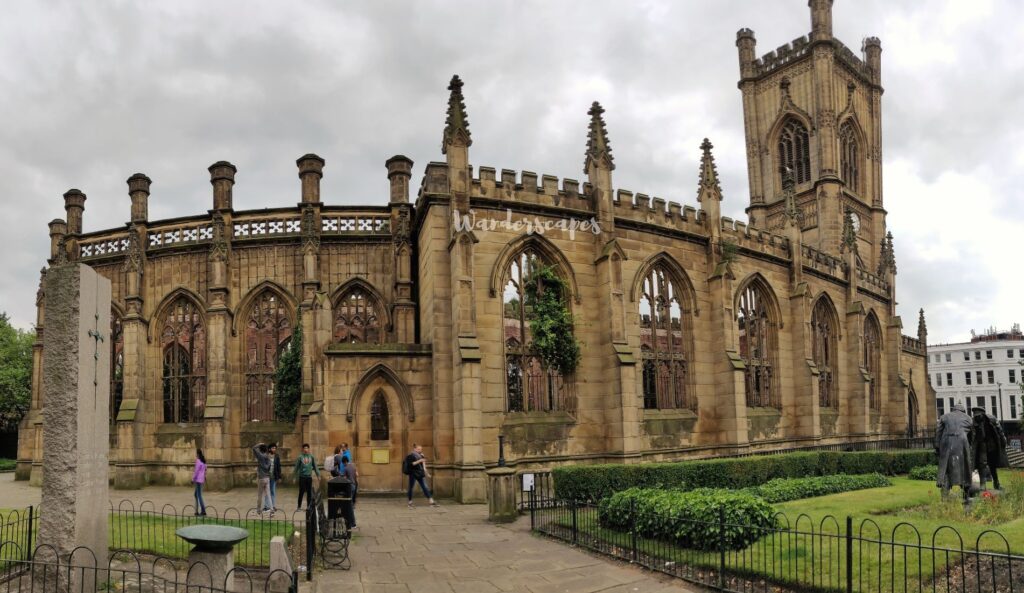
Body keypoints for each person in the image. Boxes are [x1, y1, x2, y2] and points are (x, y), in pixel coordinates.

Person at [935, 402, 974, 502]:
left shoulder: (944, 417)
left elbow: (938, 432)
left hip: (946, 442)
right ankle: (965, 495)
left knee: (946, 468)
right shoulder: (968, 418)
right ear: (963, 410)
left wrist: (937, 447)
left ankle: (944, 496)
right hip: (962, 441)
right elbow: (972, 436)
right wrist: (970, 447)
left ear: (953, 409)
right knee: (965, 467)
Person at [971, 407, 1009, 490]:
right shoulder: (974, 422)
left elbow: (1000, 431)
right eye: (975, 416)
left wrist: (1003, 441)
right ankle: (983, 485)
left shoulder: (992, 419)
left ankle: (996, 483)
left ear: (983, 414)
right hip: (982, 445)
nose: (976, 417)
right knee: (982, 464)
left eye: (978, 415)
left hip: (992, 444)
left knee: (992, 465)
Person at [404, 444, 437, 508]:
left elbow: (423, 466)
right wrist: (419, 460)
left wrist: (427, 473)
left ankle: (431, 501)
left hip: (420, 473)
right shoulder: (410, 456)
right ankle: (410, 502)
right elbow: (411, 464)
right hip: (413, 474)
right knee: (411, 487)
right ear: (414, 449)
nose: (420, 450)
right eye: (418, 449)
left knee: (425, 487)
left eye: (421, 449)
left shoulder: (421, 455)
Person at [294, 443, 320, 510]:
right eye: (304, 448)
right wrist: (294, 477)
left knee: (309, 492)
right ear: (303, 449)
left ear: (308, 449)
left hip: (309, 477)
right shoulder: (300, 457)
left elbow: (315, 466)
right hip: (302, 477)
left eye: (307, 448)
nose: (306, 449)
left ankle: (309, 506)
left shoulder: (311, 457)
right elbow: (296, 467)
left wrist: (318, 475)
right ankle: (299, 506)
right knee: (301, 491)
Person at [253, 442, 273, 513]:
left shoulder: (260, 456)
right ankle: (271, 509)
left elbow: (254, 448)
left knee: (260, 495)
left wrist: (260, 443)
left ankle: (258, 510)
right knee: (268, 494)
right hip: (267, 478)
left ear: (261, 450)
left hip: (261, 478)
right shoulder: (268, 457)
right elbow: (268, 467)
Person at [192, 449, 207, 516]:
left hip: (198, 480)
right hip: (201, 480)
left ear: (197, 454)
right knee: (196, 494)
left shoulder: (198, 461)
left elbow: (196, 471)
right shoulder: (203, 461)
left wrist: (193, 479)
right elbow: (205, 469)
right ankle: (196, 511)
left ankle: (203, 511)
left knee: (199, 495)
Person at [269, 443, 282, 512]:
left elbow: (279, 467)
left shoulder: (277, 456)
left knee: (273, 491)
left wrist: (279, 477)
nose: (274, 449)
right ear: (269, 449)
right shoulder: (267, 456)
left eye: (275, 448)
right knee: (267, 492)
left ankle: (273, 506)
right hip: (267, 477)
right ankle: (267, 506)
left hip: (274, 477)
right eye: (272, 448)